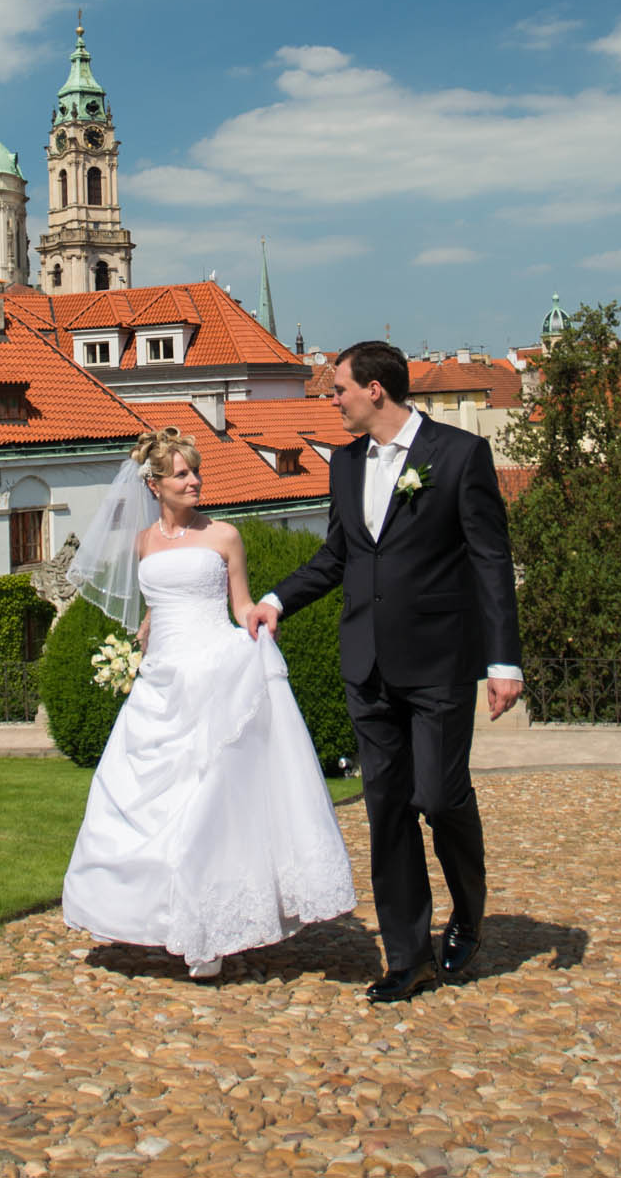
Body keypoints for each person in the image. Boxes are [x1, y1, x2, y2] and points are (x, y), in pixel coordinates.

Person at [244, 340, 521, 1003]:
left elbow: (489, 558)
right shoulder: (343, 463)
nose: (329, 398)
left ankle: (470, 911)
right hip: (364, 661)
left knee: (439, 795)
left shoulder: (458, 455)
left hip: (437, 660)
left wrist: (503, 659)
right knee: (387, 809)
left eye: (337, 388)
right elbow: (339, 554)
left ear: (374, 389)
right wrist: (276, 599)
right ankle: (407, 956)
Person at [60, 427, 357, 979]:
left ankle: (208, 931)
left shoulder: (224, 535)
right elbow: (154, 607)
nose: (194, 481)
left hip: (214, 672)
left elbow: (240, 604)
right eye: (181, 474)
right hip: (160, 682)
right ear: (154, 485)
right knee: (132, 795)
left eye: (195, 472)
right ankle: (142, 913)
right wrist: (144, 637)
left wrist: (260, 628)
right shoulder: (144, 542)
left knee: (205, 804)